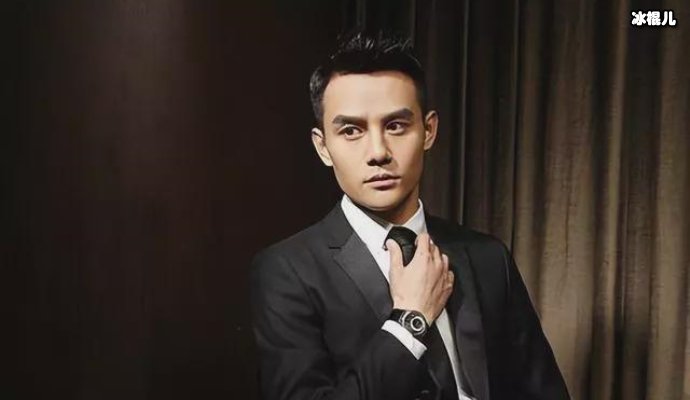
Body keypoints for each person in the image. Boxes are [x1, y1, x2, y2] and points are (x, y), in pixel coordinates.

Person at [250, 31, 570, 400]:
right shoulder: (286, 271)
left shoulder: (488, 257)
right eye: (351, 130)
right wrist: (409, 321)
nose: (378, 152)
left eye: (396, 126)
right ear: (323, 147)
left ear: (428, 131)